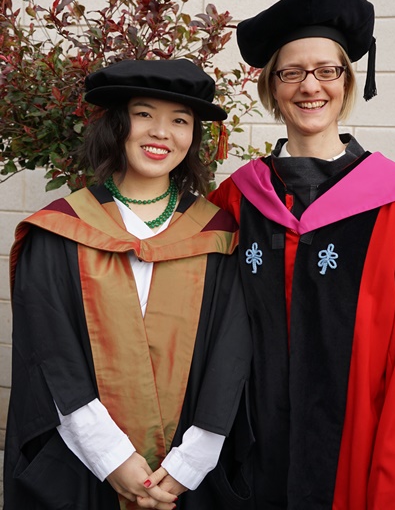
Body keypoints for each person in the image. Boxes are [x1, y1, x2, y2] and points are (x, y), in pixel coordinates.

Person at [209, 0, 395, 509]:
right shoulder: (236, 200)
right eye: (291, 73)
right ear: (272, 87)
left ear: (347, 81)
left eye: (327, 70)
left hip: (359, 452)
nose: (311, 86)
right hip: (250, 452)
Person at [4, 59, 252, 510]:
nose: (161, 132)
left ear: (194, 136)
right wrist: (112, 457)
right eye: (143, 114)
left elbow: (232, 351)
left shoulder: (218, 235)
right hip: (80, 466)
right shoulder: (59, 231)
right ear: (118, 123)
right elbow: (50, 353)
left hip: (190, 473)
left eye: (180, 120)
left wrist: (191, 463)